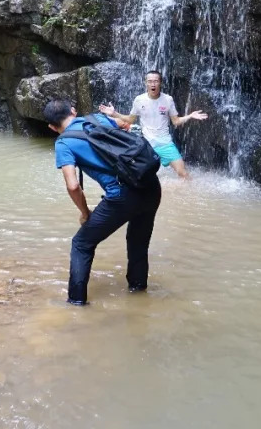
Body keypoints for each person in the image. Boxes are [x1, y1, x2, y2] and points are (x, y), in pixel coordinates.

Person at [44, 99, 162, 306]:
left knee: (81, 244)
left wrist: (84, 212)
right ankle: (138, 292)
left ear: (52, 127)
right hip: (150, 185)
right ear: (73, 111)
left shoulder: (63, 143)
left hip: (122, 195)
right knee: (138, 242)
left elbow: (72, 186)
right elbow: (125, 126)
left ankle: (76, 303)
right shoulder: (97, 119)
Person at [98, 70, 208, 180]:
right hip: (147, 146)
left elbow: (176, 121)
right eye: (150, 81)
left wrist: (190, 116)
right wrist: (114, 113)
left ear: (160, 83)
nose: (153, 84)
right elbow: (130, 120)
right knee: (138, 176)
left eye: (155, 81)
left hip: (165, 144)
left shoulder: (168, 99)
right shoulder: (139, 100)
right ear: (146, 83)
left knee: (184, 175)